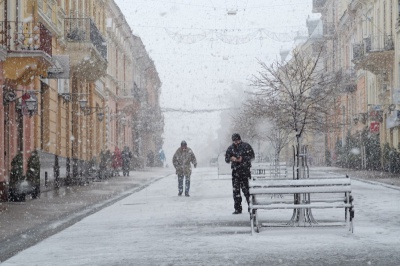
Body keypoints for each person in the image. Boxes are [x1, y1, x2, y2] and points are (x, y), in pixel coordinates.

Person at [225, 133, 255, 214]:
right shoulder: (230, 148)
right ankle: (238, 208)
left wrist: (243, 159)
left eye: (237, 140)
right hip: (235, 172)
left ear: (240, 139)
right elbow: (226, 159)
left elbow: (252, 156)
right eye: (234, 141)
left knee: (247, 191)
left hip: (245, 172)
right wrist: (232, 158)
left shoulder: (246, 146)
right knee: (236, 191)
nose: (236, 142)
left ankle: (251, 206)